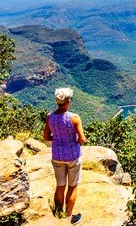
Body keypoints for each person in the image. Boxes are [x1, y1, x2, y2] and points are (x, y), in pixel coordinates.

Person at [44, 87, 86, 225]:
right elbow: (82, 139)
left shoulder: (50, 117)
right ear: (68, 101)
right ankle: (68, 218)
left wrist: (58, 138)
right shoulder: (74, 118)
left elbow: (46, 136)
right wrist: (70, 139)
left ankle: (58, 212)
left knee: (60, 185)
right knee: (72, 186)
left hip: (57, 155)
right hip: (73, 156)